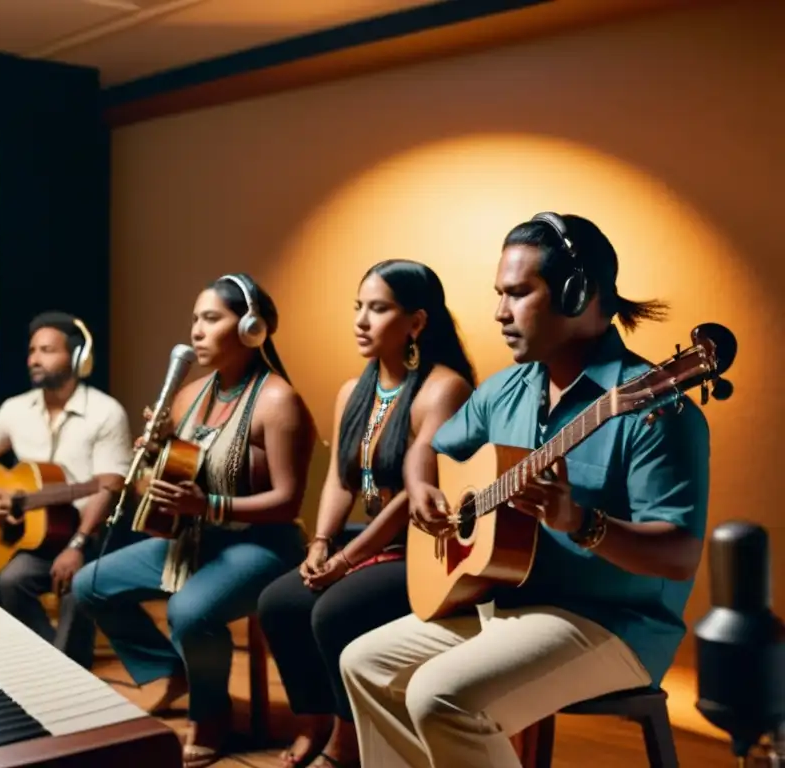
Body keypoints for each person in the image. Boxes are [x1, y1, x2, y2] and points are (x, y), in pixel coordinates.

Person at [339, 213, 711, 768]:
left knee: (440, 697)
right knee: (362, 662)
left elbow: (680, 556)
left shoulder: (658, 411)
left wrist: (584, 524)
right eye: (499, 294)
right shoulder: (507, 388)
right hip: (508, 604)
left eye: (517, 293)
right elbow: (430, 447)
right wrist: (420, 486)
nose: (499, 312)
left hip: (612, 626)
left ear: (576, 294)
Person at [72, 274, 316, 768]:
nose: (197, 332)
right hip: (193, 538)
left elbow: (288, 502)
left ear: (251, 328)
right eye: (194, 320)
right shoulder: (188, 396)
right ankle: (172, 669)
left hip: (263, 544)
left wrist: (208, 507)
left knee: (189, 612)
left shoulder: (277, 401)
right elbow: (172, 482)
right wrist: (156, 454)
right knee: (89, 583)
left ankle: (212, 713)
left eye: (211, 318)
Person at [256, 260, 476, 768]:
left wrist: (348, 557)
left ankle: (348, 739)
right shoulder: (353, 390)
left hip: (428, 548)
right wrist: (320, 544)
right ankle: (312, 722)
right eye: (359, 307)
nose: (361, 320)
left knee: (333, 611)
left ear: (417, 322)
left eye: (377, 308)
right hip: (368, 543)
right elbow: (340, 478)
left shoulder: (444, 388)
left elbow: (411, 496)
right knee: (279, 601)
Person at [0, 311, 134, 670]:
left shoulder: (105, 412)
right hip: (42, 537)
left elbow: (108, 487)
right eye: (32, 350)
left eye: (47, 350)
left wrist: (77, 544)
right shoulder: (16, 409)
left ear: (78, 358)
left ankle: (69, 671)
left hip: (93, 534)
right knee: (12, 580)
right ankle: (52, 663)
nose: (34, 359)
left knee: (76, 583)